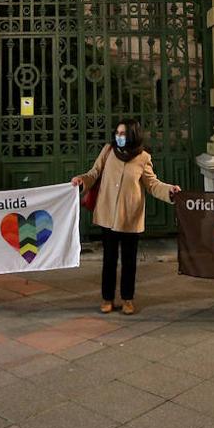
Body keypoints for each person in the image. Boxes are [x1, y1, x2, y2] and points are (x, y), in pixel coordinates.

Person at [72, 118, 180, 315]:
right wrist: (81, 180)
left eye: (123, 134)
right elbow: (94, 173)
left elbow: (153, 184)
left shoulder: (143, 158)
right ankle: (107, 298)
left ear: (132, 135)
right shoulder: (108, 151)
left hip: (130, 217)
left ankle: (128, 299)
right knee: (109, 260)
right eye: (117, 133)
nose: (119, 137)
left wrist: (170, 191)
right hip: (107, 216)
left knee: (129, 261)